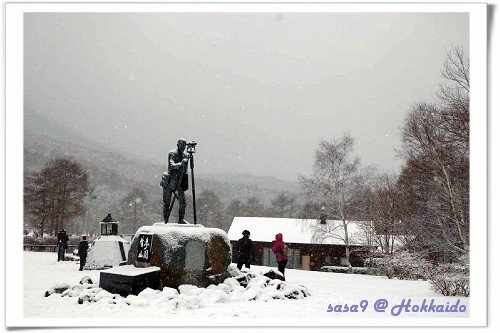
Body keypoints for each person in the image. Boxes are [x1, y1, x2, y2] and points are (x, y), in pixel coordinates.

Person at [161, 138, 189, 224]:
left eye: (184, 145)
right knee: (167, 203)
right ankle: (165, 220)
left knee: (183, 202)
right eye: (181, 145)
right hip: (169, 181)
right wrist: (181, 164)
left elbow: (185, 171)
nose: (183, 147)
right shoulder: (172, 153)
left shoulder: (185, 155)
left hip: (179, 182)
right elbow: (171, 165)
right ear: (177, 145)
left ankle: (181, 220)